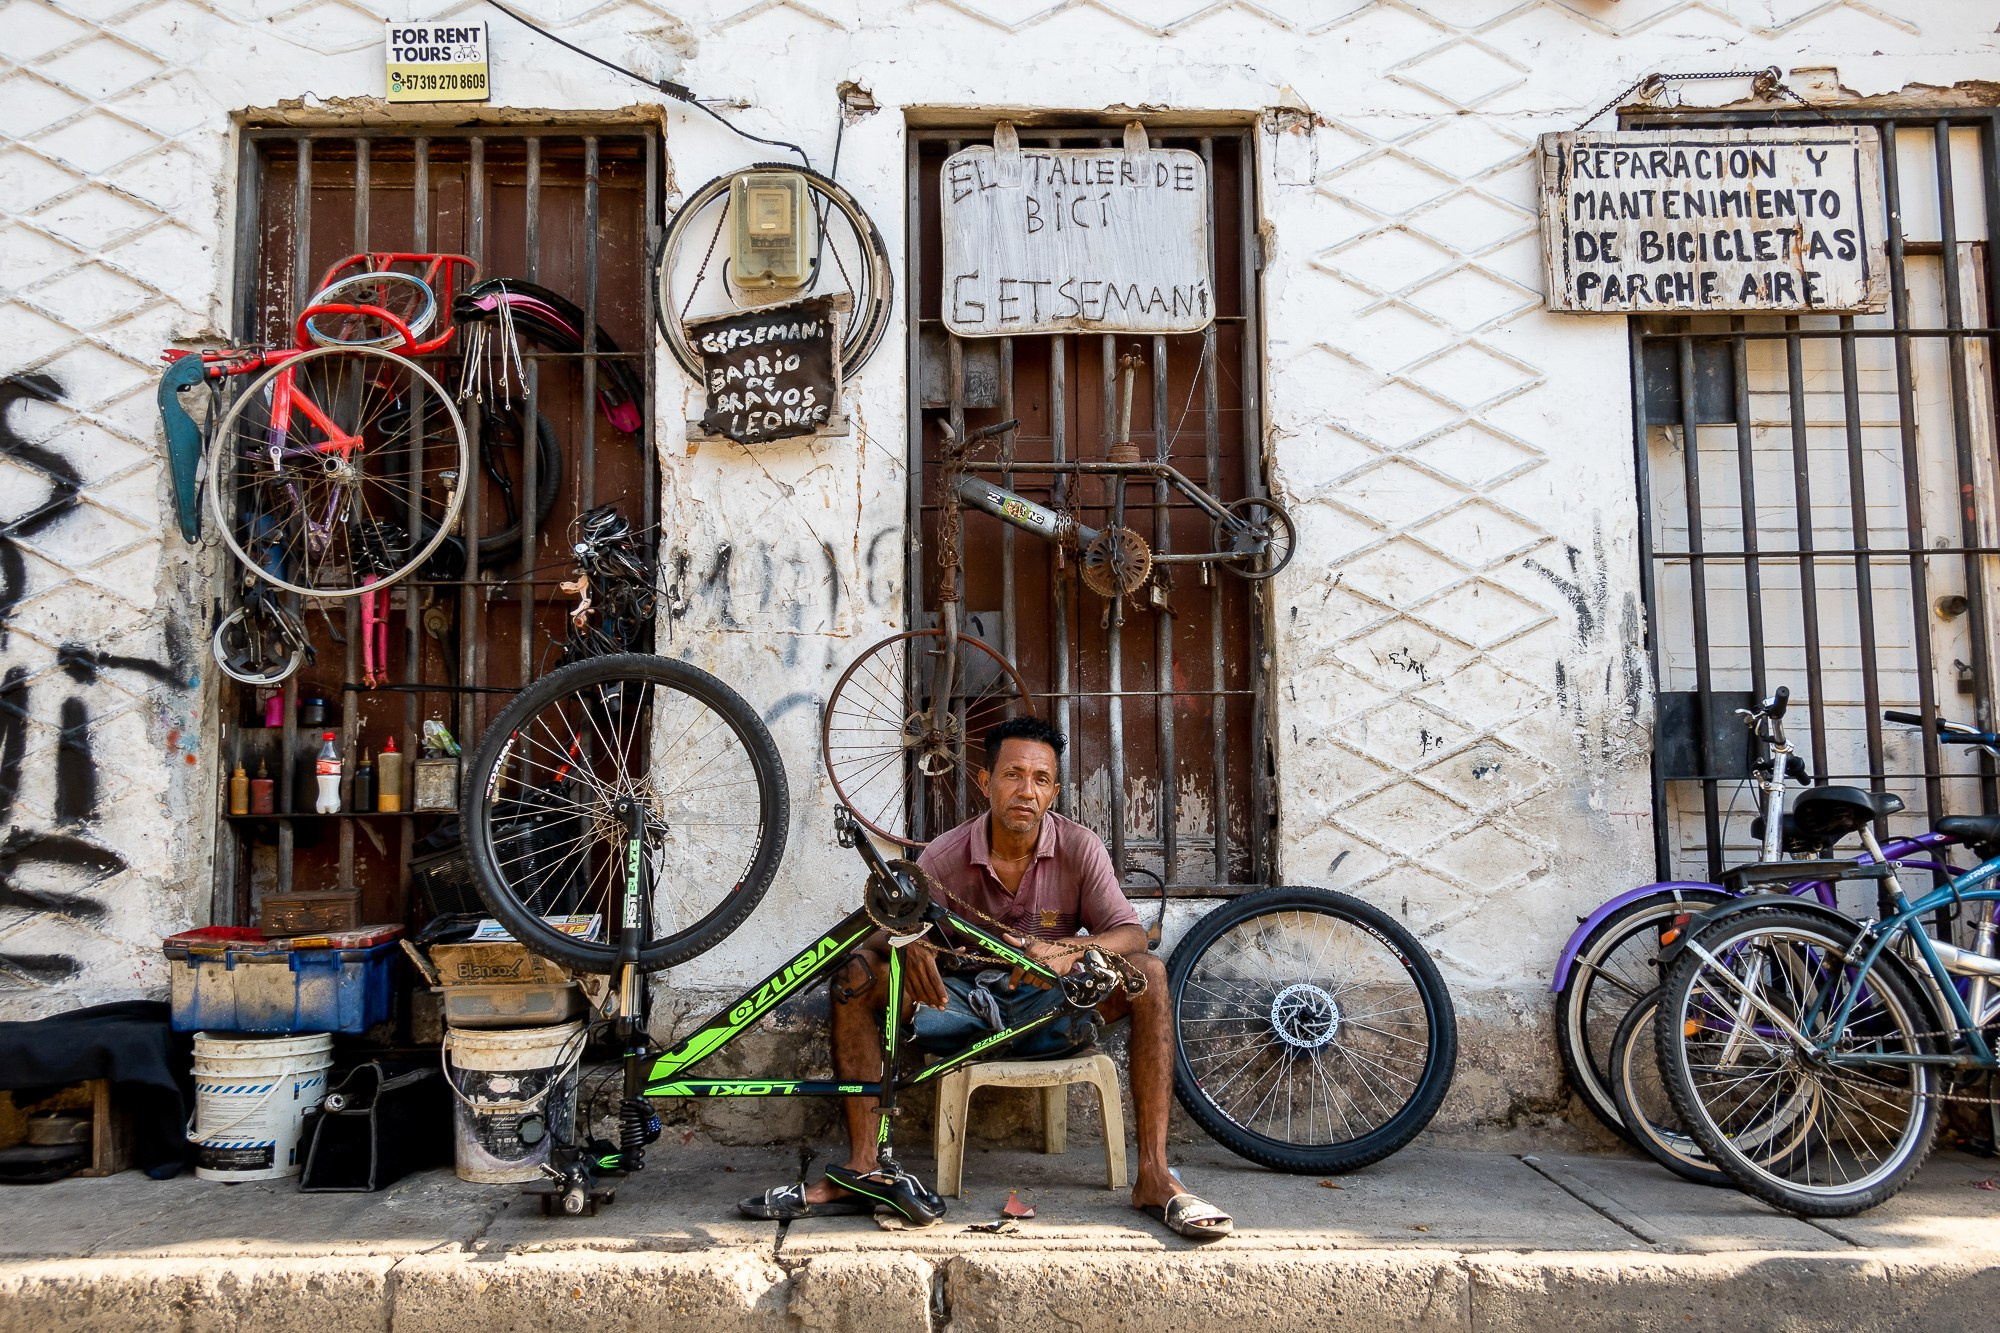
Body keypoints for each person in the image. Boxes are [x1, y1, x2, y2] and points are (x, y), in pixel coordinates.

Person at [739, 715, 1233, 1240]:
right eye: (1013, 775)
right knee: (859, 975)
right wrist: (911, 946)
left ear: (1055, 790)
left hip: (1051, 1011)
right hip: (961, 1012)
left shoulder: (1078, 847)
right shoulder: (945, 857)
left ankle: (1155, 1177)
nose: (1027, 791)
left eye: (1041, 779)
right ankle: (865, 1169)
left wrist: (1068, 951)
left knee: (1150, 974)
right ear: (985, 782)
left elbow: (1130, 934)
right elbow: (876, 936)